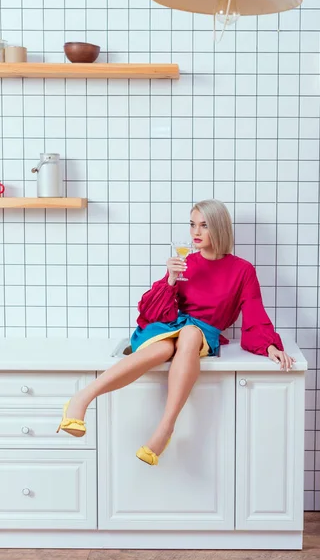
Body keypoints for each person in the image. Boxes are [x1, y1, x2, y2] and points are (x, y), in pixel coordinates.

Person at [57, 199, 295, 465]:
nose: (196, 232)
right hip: (171, 328)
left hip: (201, 333)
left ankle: (164, 426)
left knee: (191, 334)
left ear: (219, 227)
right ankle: (83, 398)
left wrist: (270, 346)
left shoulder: (242, 270)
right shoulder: (185, 263)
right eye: (192, 224)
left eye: (204, 226)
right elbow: (153, 310)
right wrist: (170, 279)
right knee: (164, 346)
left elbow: (254, 312)